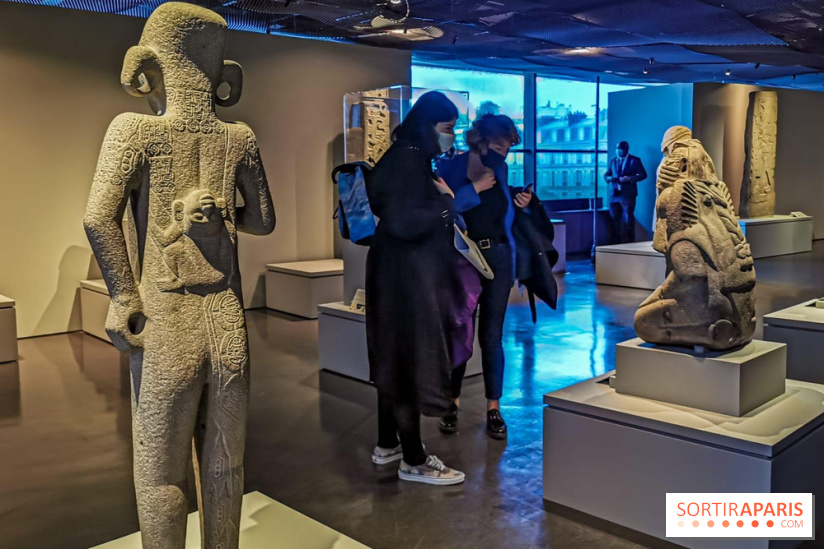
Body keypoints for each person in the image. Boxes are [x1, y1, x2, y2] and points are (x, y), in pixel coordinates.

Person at [365, 91, 466, 486]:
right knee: (406, 363)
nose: (451, 136)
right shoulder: (410, 161)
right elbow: (407, 222)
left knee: (392, 360)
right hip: (405, 281)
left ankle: (387, 443)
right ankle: (414, 459)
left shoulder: (401, 157)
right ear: (429, 126)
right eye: (447, 128)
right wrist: (447, 204)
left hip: (392, 276)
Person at [435, 114, 531, 440]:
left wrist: (521, 203)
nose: (503, 152)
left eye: (507, 146)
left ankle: (494, 408)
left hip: (500, 258)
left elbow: (499, 215)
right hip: (465, 258)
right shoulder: (452, 166)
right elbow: (444, 210)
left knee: (491, 335)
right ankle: (452, 403)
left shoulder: (501, 169)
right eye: (498, 144)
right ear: (482, 140)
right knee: (461, 331)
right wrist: (474, 188)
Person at [604, 141, 647, 244]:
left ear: (626, 150)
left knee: (628, 218)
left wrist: (630, 178)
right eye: (617, 149)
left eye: (621, 149)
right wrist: (612, 178)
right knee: (614, 219)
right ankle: (615, 242)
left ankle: (629, 242)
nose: (618, 151)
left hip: (628, 194)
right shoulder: (613, 161)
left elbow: (643, 175)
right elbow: (606, 175)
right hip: (614, 194)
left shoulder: (635, 160)